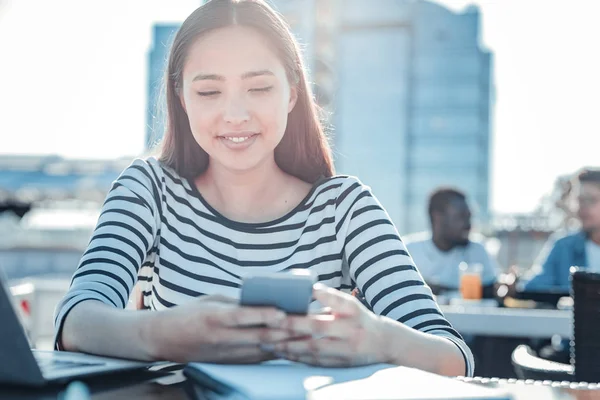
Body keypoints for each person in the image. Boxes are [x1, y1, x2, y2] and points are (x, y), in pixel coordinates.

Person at [53, 0, 473, 377]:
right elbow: (74, 321)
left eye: (259, 88)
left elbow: (455, 357)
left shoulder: (344, 207)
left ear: (292, 92)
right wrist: (165, 334)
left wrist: (380, 340)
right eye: (209, 91)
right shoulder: (150, 190)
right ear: (181, 97)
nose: (235, 114)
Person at [404, 188, 498, 298]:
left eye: (469, 217)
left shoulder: (478, 250)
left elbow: (493, 291)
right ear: (438, 217)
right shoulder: (409, 251)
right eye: (461, 216)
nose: (468, 225)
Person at [522, 168, 600, 292]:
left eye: (591, 200)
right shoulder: (563, 247)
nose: (582, 207)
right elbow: (531, 289)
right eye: (579, 200)